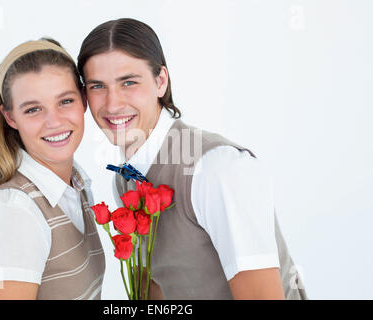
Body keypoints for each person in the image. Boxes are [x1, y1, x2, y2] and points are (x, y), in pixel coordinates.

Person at [77, 18, 307, 300]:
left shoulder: (218, 168)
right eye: (97, 86)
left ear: (160, 81)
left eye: (128, 82)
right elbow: (153, 288)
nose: (112, 104)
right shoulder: (123, 178)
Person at [0, 38, 105, 300]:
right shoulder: (13, 213)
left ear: (83, 99)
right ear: (10, 117)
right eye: (33, 109)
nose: (54, 121)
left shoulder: (77, 187)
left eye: (65, 101)